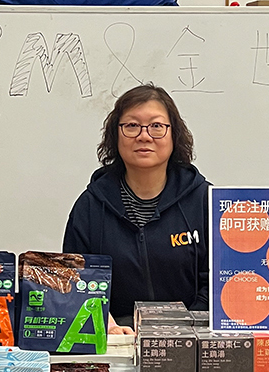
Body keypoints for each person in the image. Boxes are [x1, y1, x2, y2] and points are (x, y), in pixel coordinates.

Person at [62, 84, 209, 328]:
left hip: (193, 336)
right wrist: (106, 325)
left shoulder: (204, 200)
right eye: (131, 125)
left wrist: (186, 329)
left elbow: (218, 282)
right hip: (116, 339)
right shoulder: (90, 206)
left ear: (174, 134)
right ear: (115, 134)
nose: (144, 136)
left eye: (156, 126)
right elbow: (76, 282)